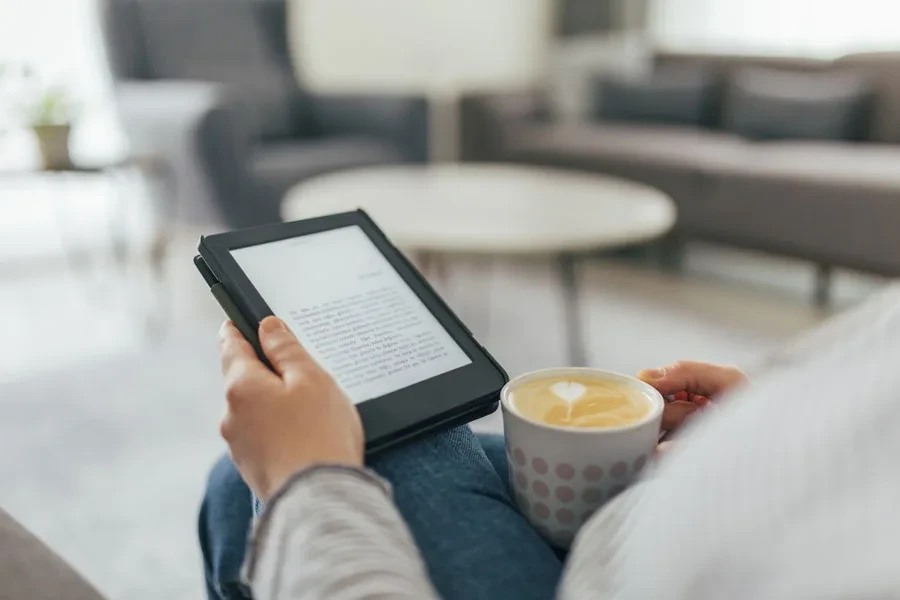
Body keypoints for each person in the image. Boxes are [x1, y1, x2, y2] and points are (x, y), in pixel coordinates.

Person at [200, 315, 900, 600]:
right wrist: (766, 431)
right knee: (242, 477)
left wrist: (309, 488)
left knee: (273, 465)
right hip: (644, 525)